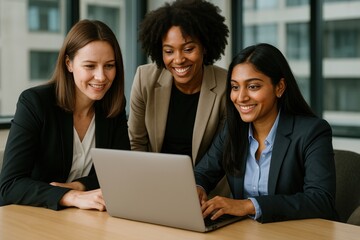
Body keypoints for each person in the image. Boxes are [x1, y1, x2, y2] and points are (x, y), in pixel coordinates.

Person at [194, 43, 338, 223]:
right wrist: (197, 187)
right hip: (245, 233)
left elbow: (321, 201)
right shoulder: (232, 130)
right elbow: (202, 173)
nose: (241, 97)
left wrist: (248, 205)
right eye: (235, 87)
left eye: (253, 87)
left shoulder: (312, 131)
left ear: (279, 87)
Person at [0, 19, 130, 211]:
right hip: (31, 217)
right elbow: (10, 185)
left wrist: (79, 186)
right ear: (69, 64)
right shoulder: (35, 103)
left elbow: (120, 173)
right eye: (90, 66)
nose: (101, 76)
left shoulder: (113, 106)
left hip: (84, 219)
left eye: (109, 66)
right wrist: (71, 196)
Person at [128, 0, 228, 169]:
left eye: (188, 49)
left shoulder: (225, 85)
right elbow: (136, 143)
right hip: (154, 179)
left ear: (204, 47)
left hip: (207, 188)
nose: (179, 60)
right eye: (169, 51)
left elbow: (221, 155)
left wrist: (197, 187)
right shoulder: (144, 79)